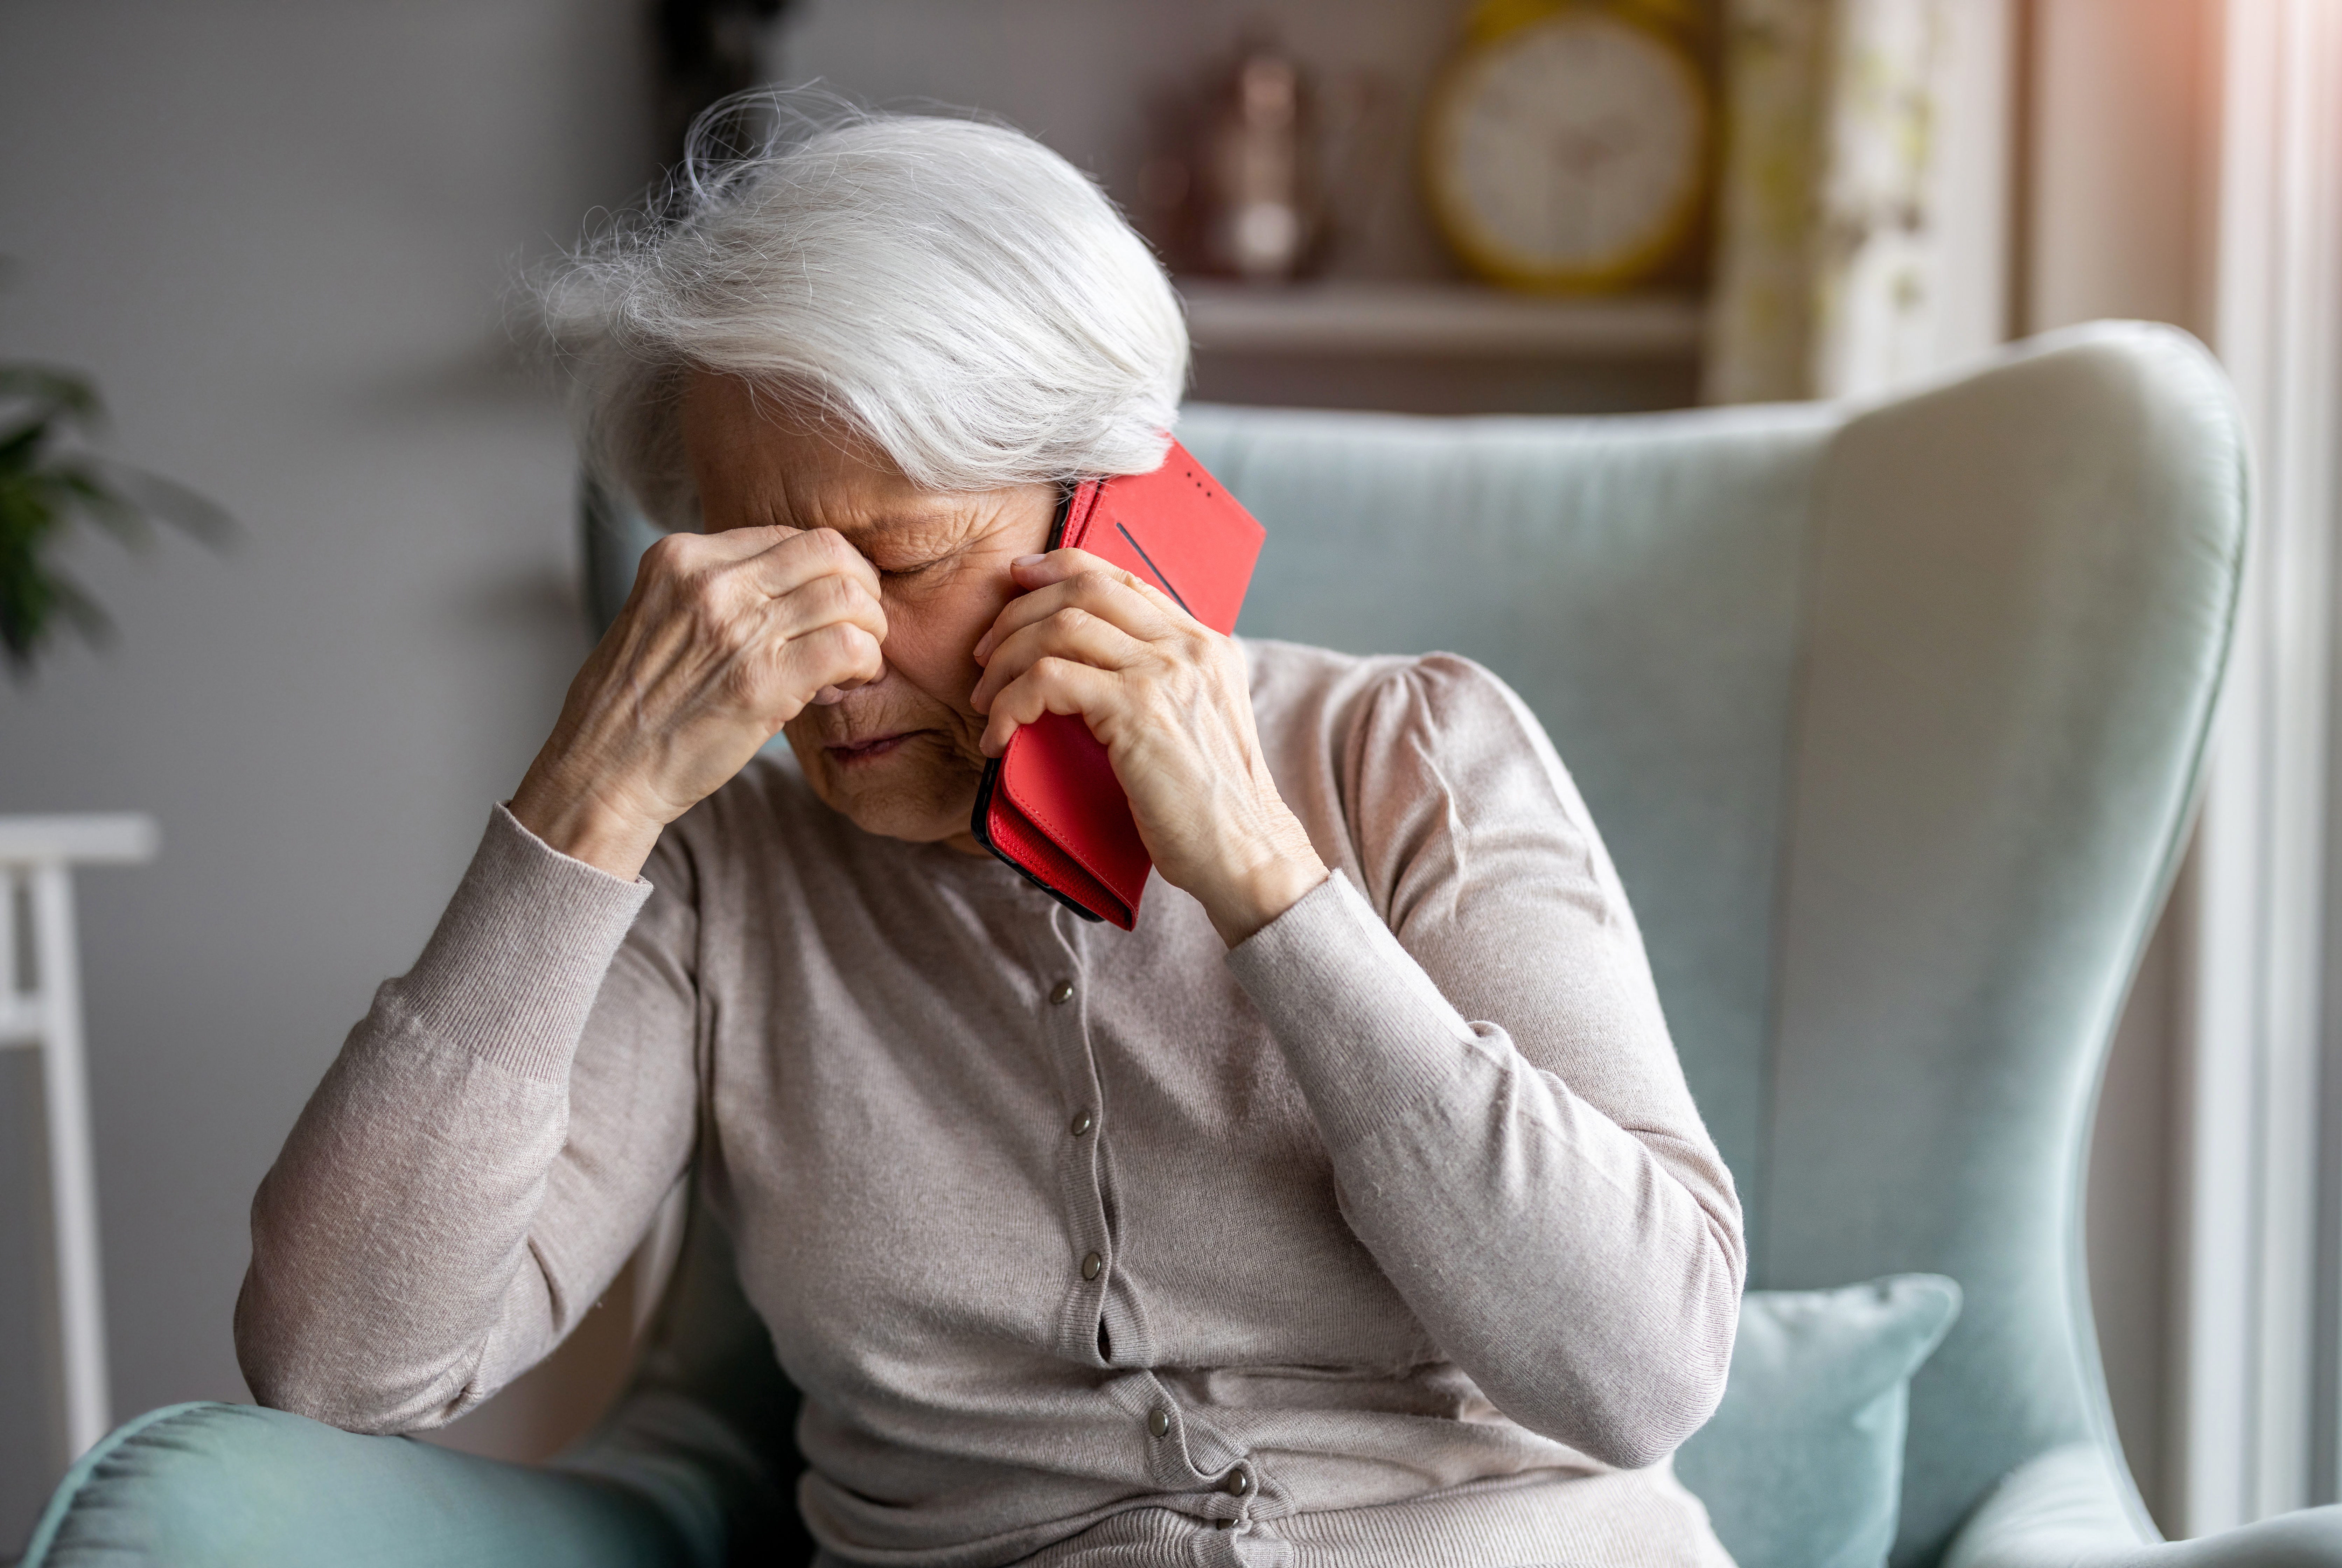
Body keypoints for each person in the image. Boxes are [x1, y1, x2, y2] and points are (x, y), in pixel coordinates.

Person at [235, 102, 1745, 1568]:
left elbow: (1640, 1370)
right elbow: (343, 1363)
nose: (829, 659)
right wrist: (586, 800)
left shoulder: (1410, 754)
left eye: (906, 561)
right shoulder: (715, 885)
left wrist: (1262, 877)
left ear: (1112, 512)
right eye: (770, 574)